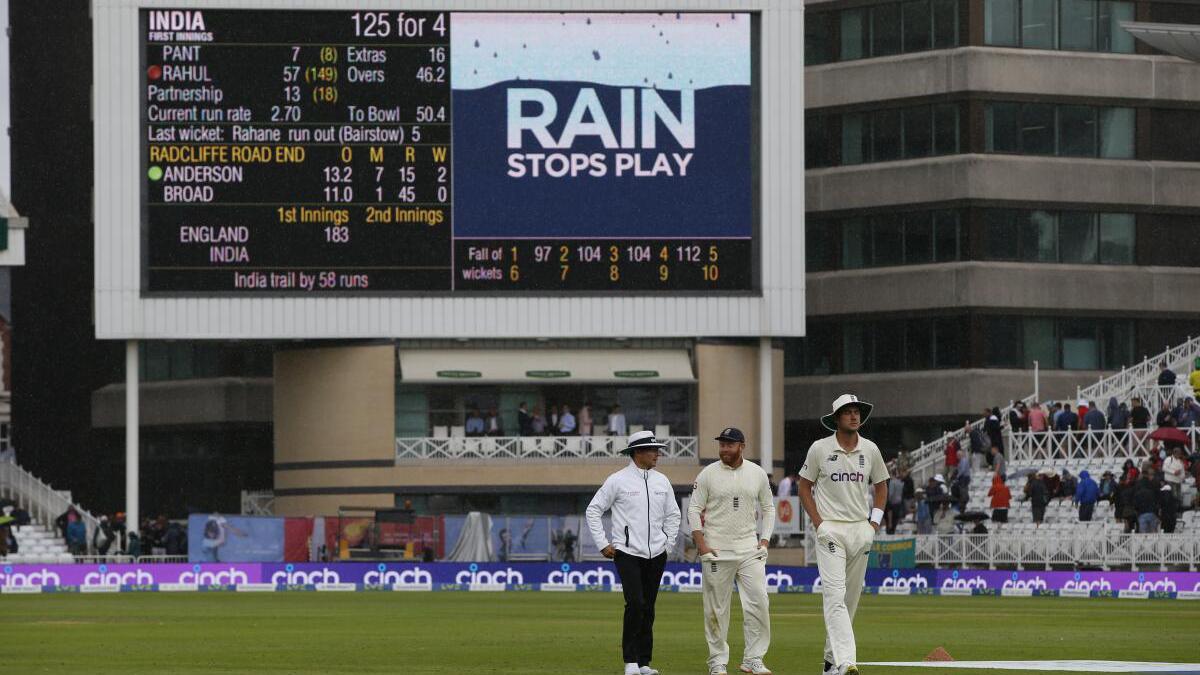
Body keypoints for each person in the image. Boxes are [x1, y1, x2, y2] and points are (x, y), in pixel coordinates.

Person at [798, 395, 888, 675]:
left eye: (856, 412)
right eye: (847, 412)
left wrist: (873, 525)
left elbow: (882, 486)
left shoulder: (870, 449)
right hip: (830, 531)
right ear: (836, 418)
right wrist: (818, 523)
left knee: (850, 600)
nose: (853, 416)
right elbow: (804, 486)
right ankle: (846, 661)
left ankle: (828, 663)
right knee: (835, 596)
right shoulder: (819, 449)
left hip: (860, 530)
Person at [586, 430, 681, 675]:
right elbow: (593, 510)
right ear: (638, 452)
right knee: (636, 603)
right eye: (652, 450)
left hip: (657, 554)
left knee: (648, 607)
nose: (657, 454)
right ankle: (630, 661)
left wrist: (667, 545)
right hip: (627, 552)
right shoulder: (617, 480)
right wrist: (603, 543)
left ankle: (644, 663)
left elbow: (673, 515)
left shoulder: (662, 481)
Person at [688, 427, 775, 675]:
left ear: (741, 446)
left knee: (759, 603)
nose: (724, 449)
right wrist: (702, 544)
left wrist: (765, 540)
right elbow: (694, 509)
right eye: (722, 445)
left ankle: (753, 659)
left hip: (749, 549)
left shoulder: (757, 473)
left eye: (729, 445)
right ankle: (717, 661)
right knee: (716, 610)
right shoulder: (708, 474)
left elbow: (769, 508)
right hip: (717, 550)